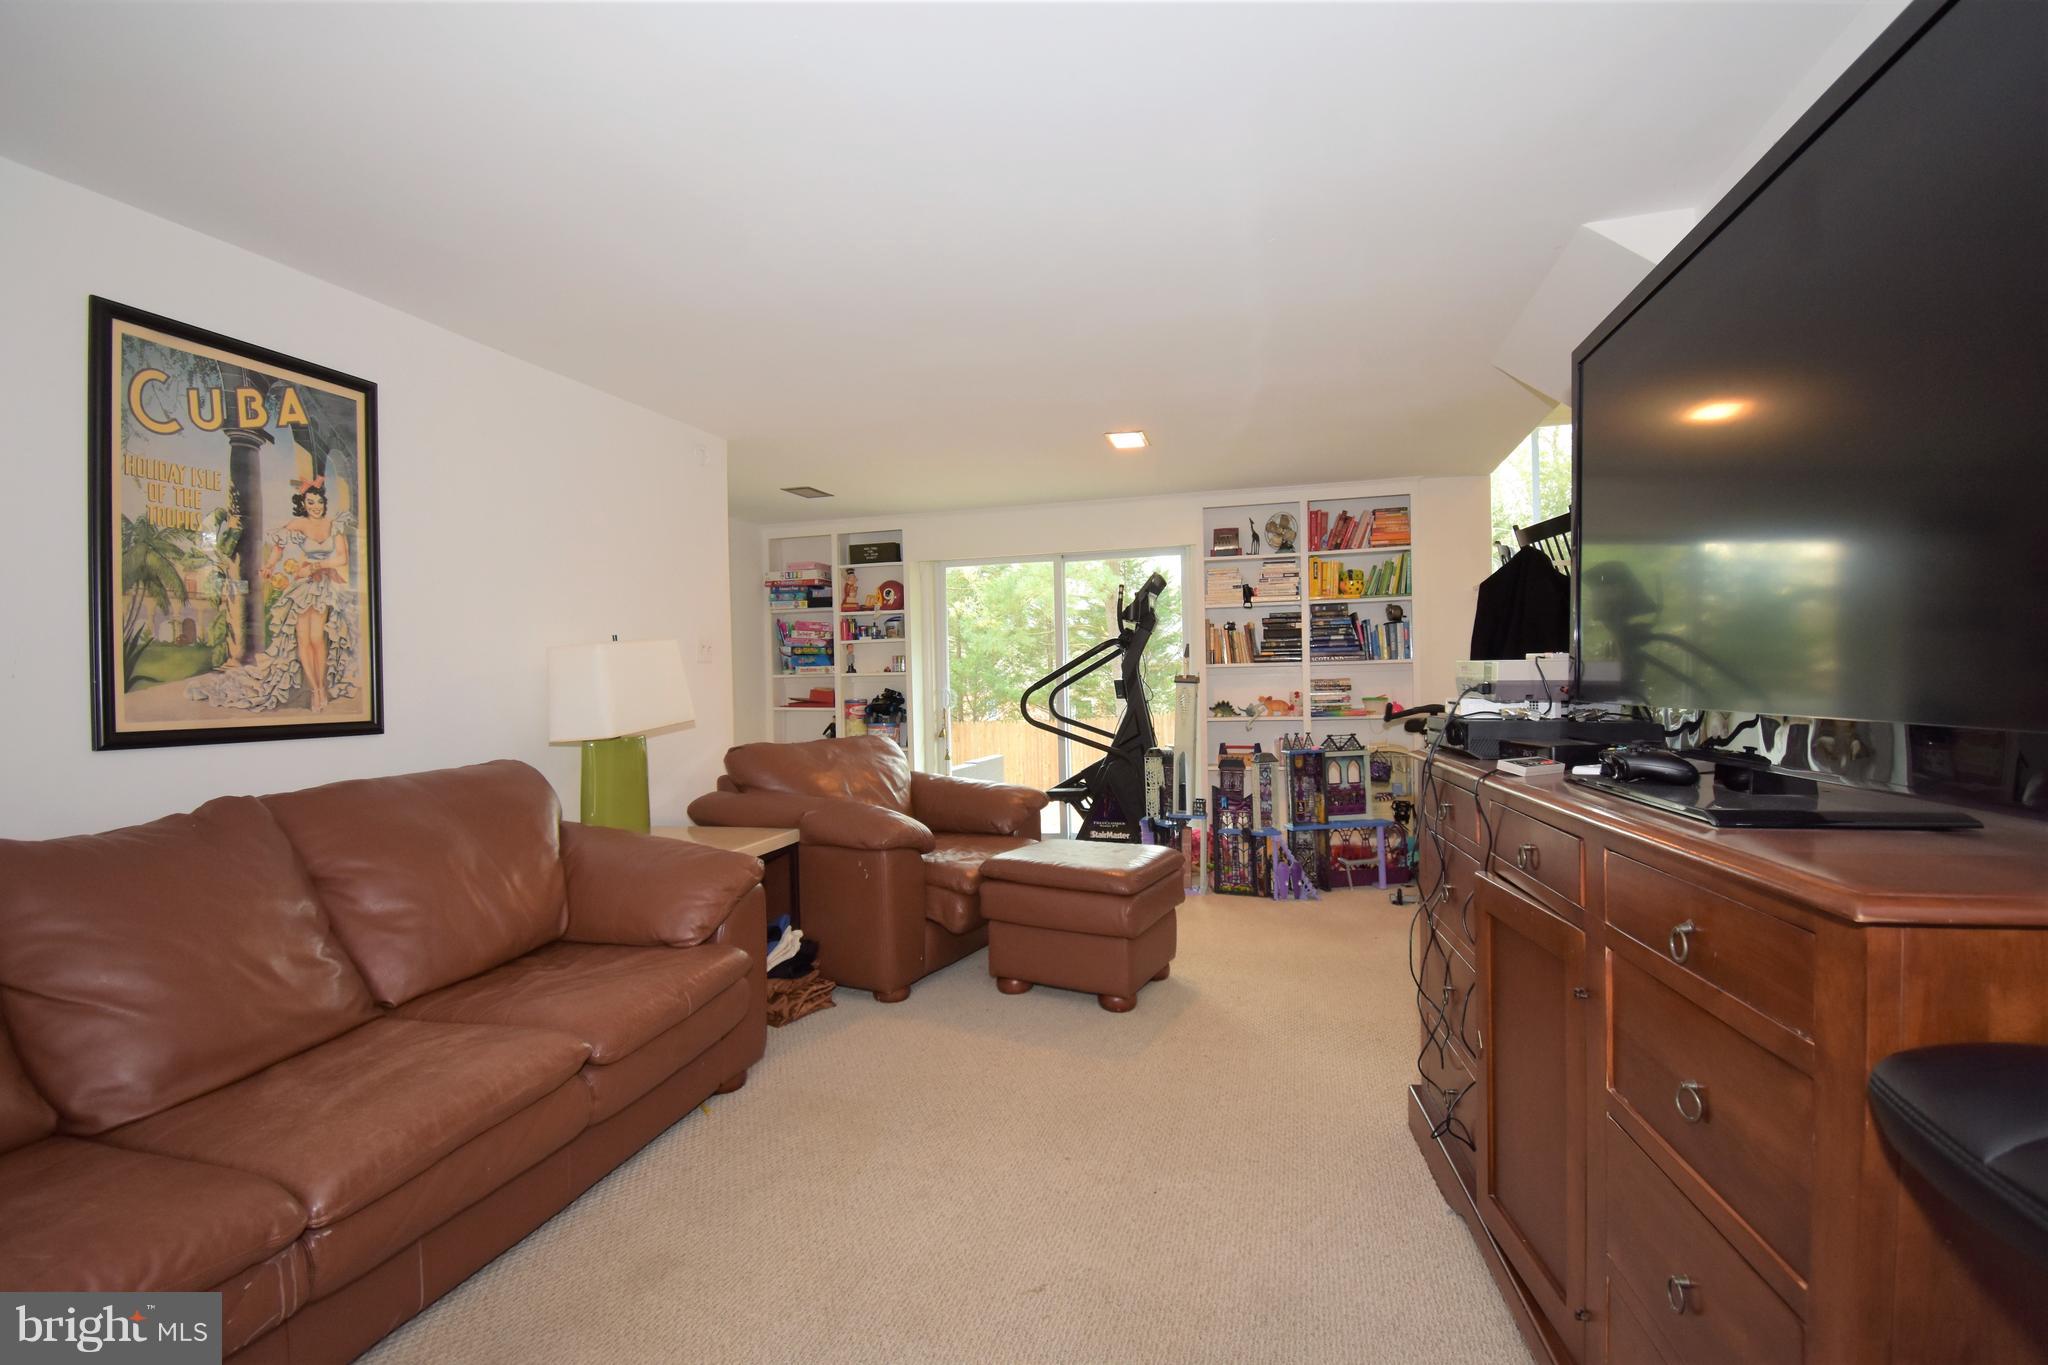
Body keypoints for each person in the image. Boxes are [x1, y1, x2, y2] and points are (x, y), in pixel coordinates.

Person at [187, 475, 359, 714]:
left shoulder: (334, 525)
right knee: (304, 641)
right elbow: (278, 547)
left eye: (318, 502)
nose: (315, 507)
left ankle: (321, 687)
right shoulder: (297, 524)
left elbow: (342, 557)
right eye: (310, 503)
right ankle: (314, 690)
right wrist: (269, 566)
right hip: (301, 586)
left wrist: (315, 565)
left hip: (323, 586)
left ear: (323, 502)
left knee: (318, 639)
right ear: (303, 504)